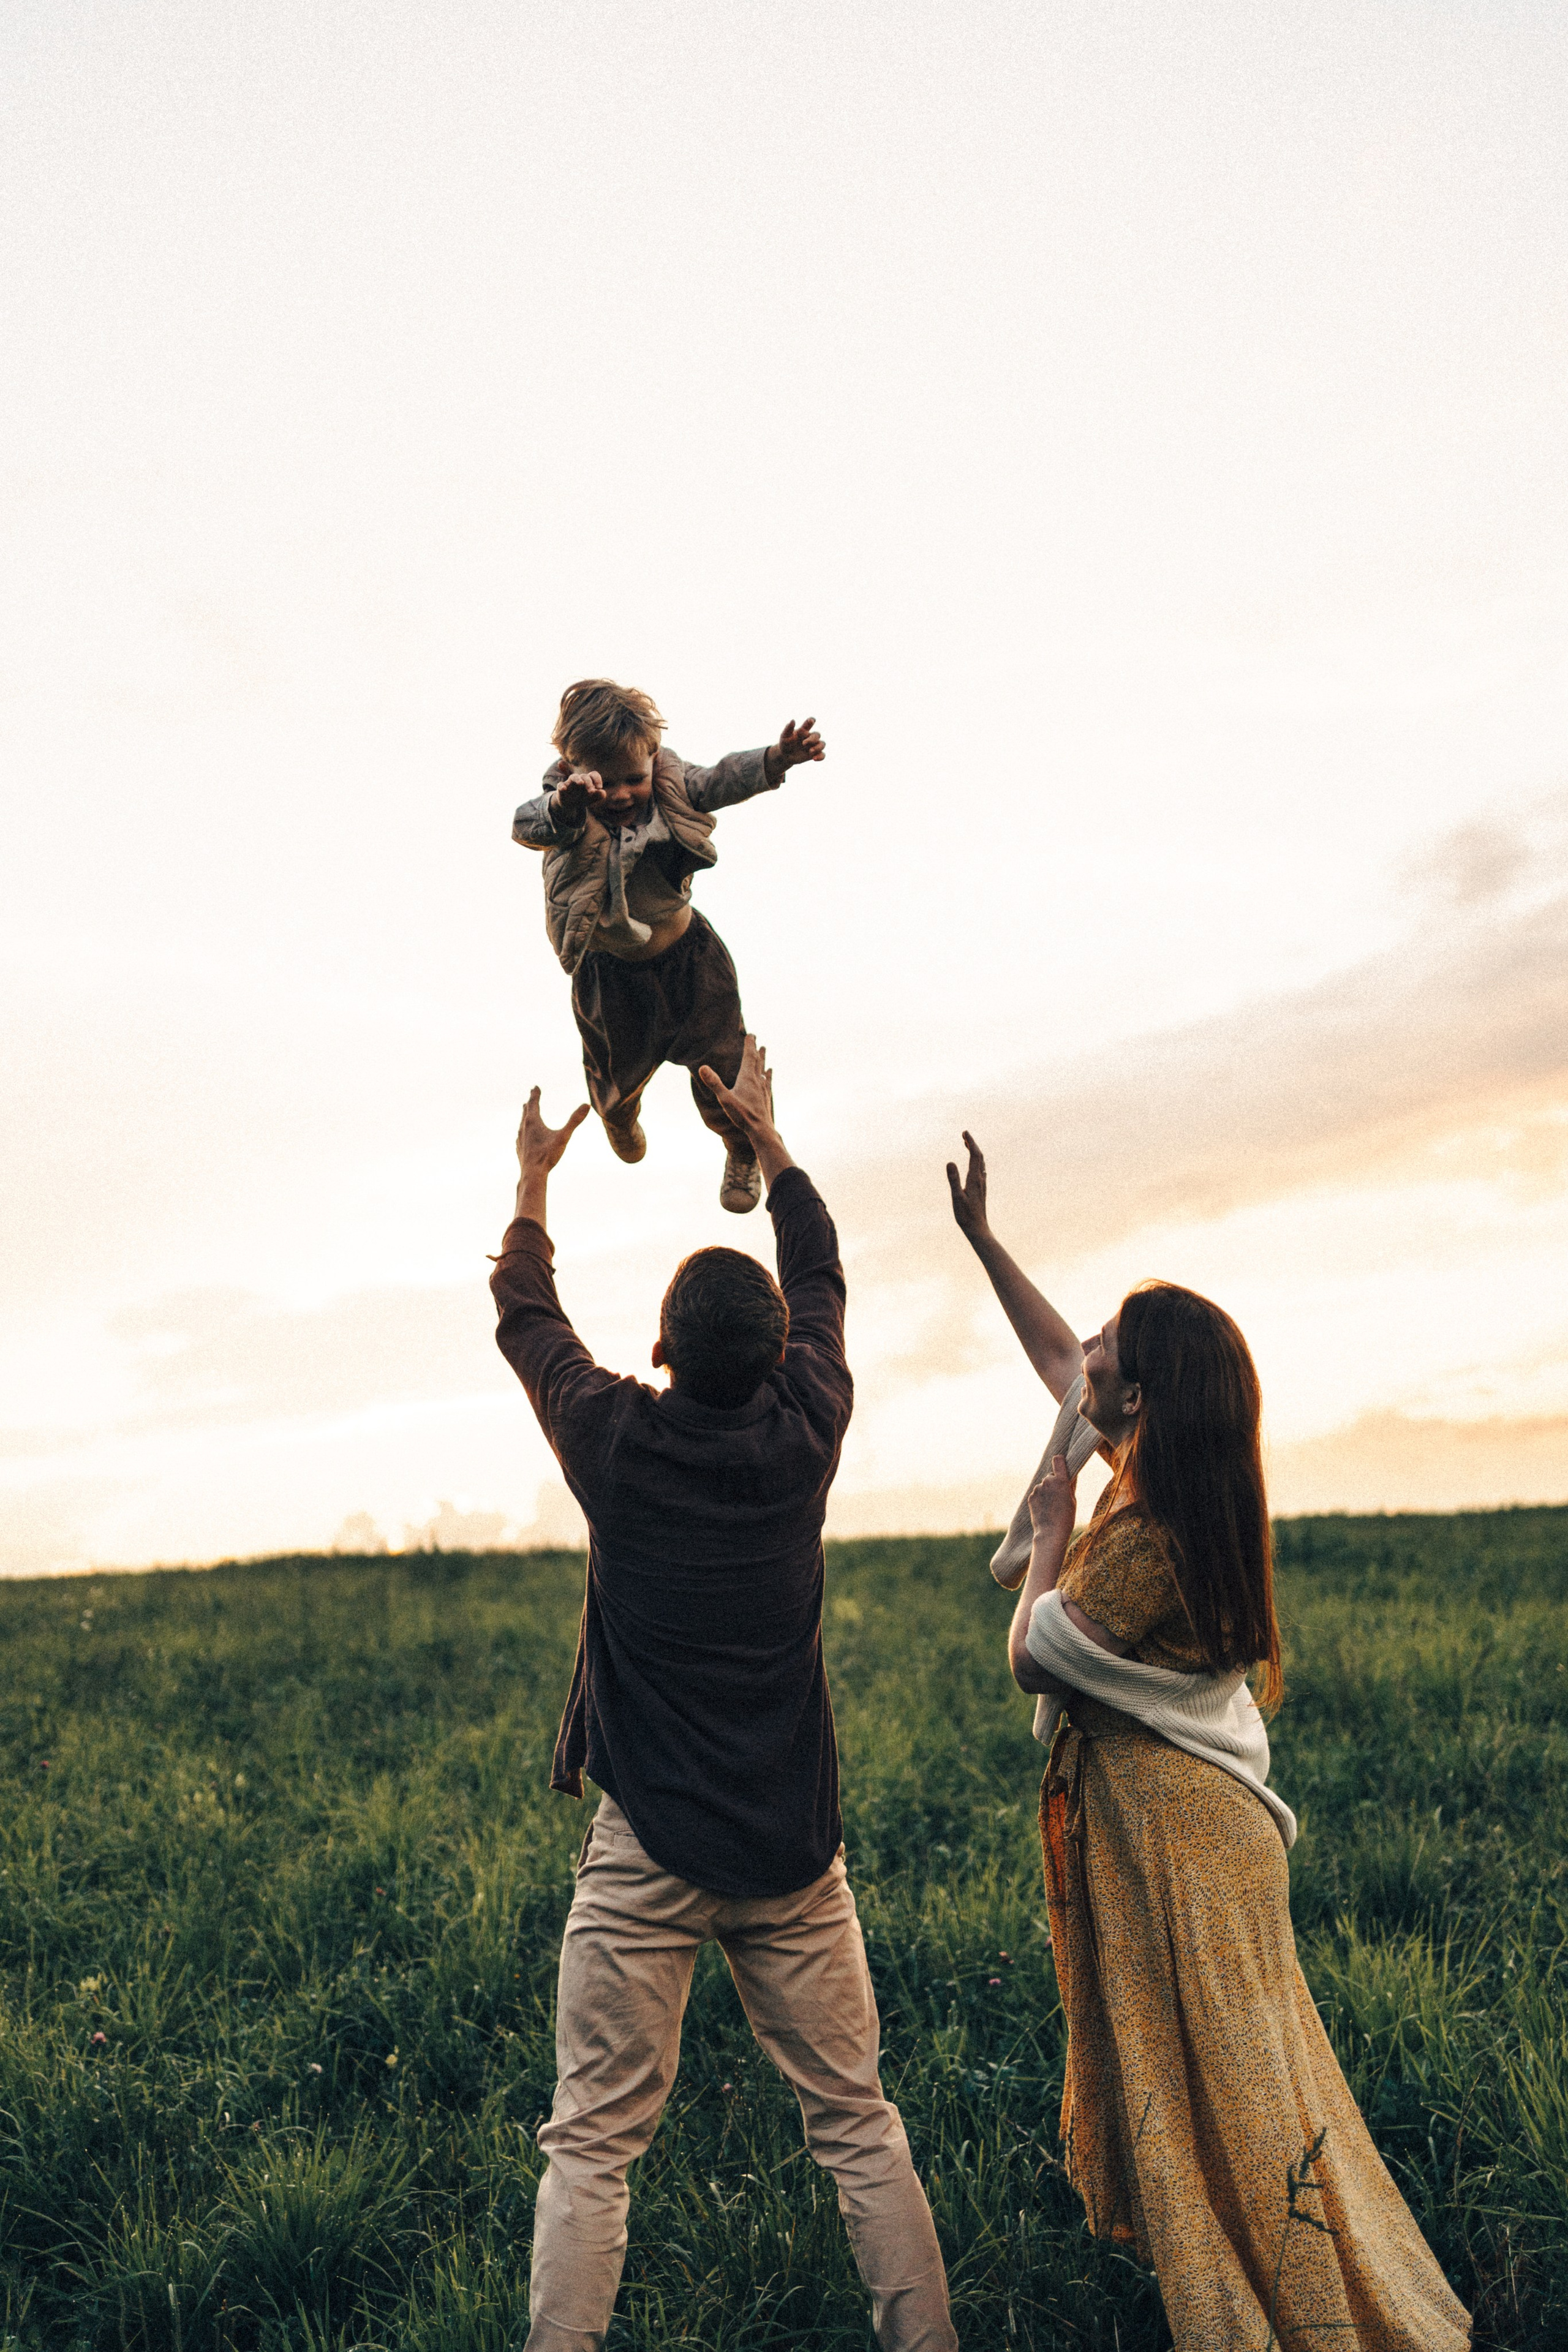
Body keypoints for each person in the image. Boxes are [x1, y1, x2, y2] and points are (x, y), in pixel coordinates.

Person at [946, 1133, 1471, 2352]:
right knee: (1239, 2097)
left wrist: (1045, 1523)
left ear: (1136, 1401)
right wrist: (984, 1244)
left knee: (1229, 2110)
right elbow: (1054, 1360)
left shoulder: (1136, 1535)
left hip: (1186, 1854)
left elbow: (1035, 1654)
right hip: (1195, 1844)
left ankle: (1267, 2321)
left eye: (1106, 1349)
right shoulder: (1171, 1479)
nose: (1083, 1351)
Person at [489, 1039, 957, 2352]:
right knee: (857, 2127)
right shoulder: (808, 1425)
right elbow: (822, 1276)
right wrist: (771, 1143)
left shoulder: (614, 1440)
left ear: (658, 1351)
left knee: (590, 2145)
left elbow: (527, 1324)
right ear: (777, 1356)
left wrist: (532, 1184)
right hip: (791, 1850)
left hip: (644, 1851)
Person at [511, 677, 825, 1213]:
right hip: (611, 978)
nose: (620, 795)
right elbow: (527, 825)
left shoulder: (671, 783)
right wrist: (567, 805)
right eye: (604, 783)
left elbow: (721, 780)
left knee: (724, 1064)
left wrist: (776, 759)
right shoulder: (566, 805)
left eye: (634, 778)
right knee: (614, 1072)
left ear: (654, 758)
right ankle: (621, 1116)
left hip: (691, 961)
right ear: (571, 768)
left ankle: (742, 1147)